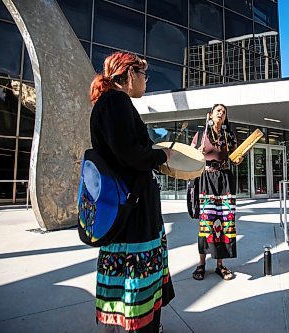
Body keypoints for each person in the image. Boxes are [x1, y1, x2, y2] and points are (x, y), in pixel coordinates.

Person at [89, 51, 174, 333]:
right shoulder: (116, 101)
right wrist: (161, 156)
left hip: (127, 205)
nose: (146, 81)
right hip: (133, 210)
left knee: (124, 271)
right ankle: (139, 326)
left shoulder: (111, 102)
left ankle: (128, 324)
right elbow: (129, 154)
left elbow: (124, 151)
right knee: (135, 271)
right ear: (129, 75)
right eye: (144, 75)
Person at [190, 104, 240, 281]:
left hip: (225, 180)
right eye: (218, 111)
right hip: (207, 179)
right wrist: (197, 152)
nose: (221, 113)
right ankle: (201, 263)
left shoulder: (229, 136)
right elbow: (191, 156)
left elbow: (235, 158)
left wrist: (238, 158)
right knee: (207, 221)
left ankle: (220, 264)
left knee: (225, 221)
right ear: (210, 114)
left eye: (224, 112)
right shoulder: (201, 135)